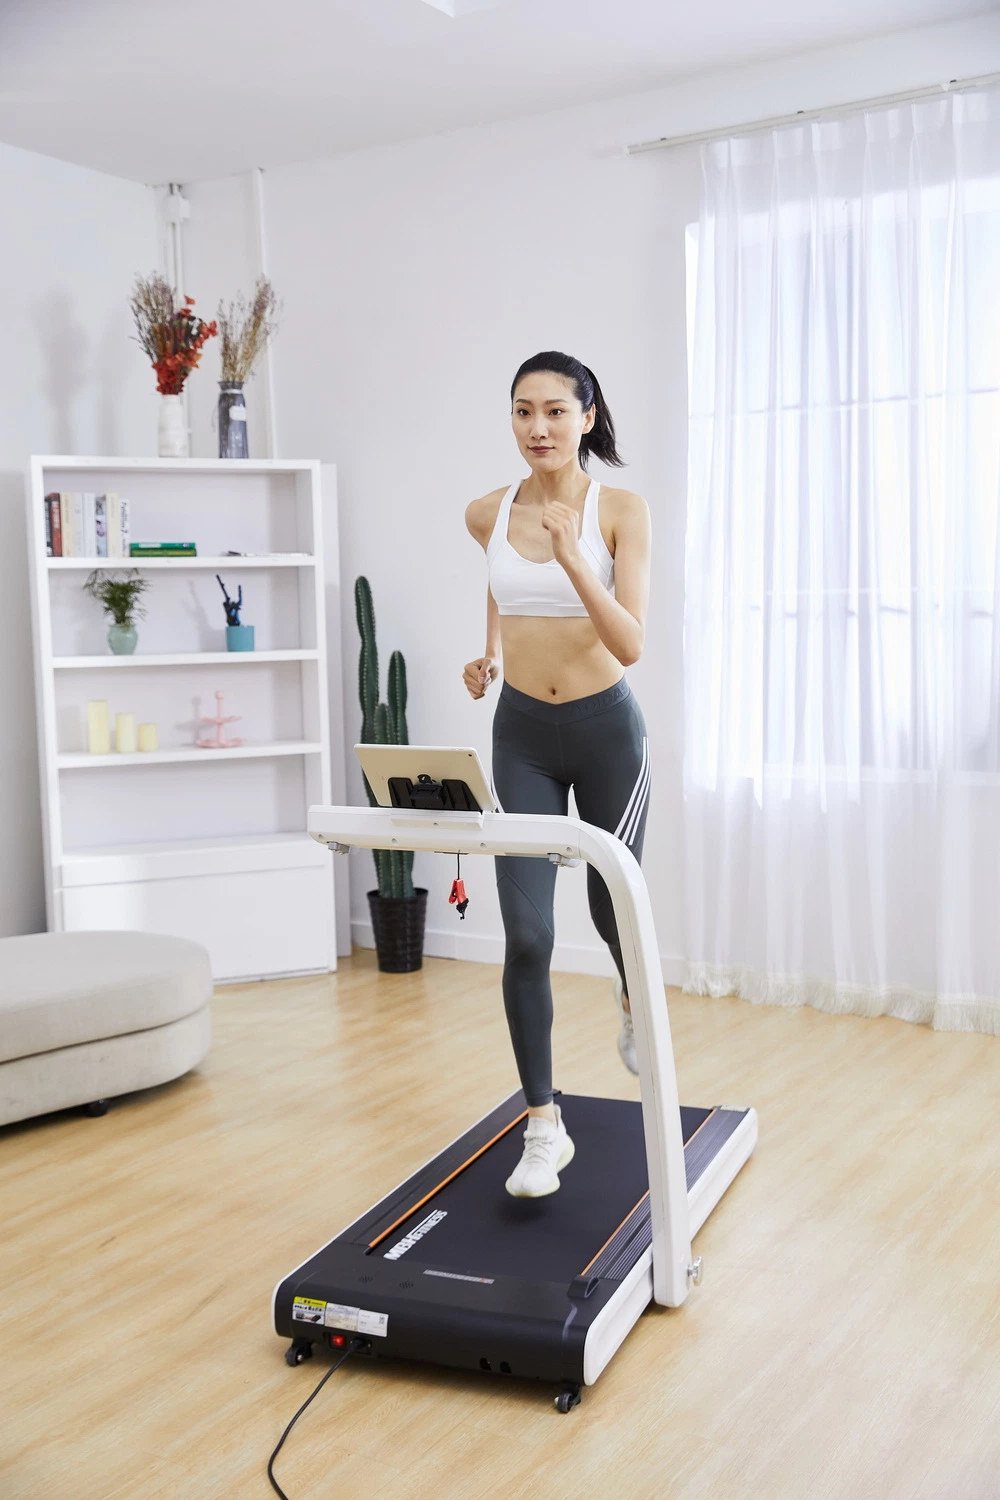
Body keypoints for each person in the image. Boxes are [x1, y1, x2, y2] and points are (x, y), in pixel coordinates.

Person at [464, 350, 652, 1199]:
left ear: (586, 415)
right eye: (521, 412)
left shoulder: (620, 510)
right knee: (529, 935)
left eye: (553, 411)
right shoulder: (485, 512)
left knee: (614, 914)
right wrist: (490, 654)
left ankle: (628, 998)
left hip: (606, 732)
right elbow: (501, 584)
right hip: (523, 740)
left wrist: (576, 556)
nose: (536, 428)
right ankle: (544, 1126)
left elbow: (631, 643)